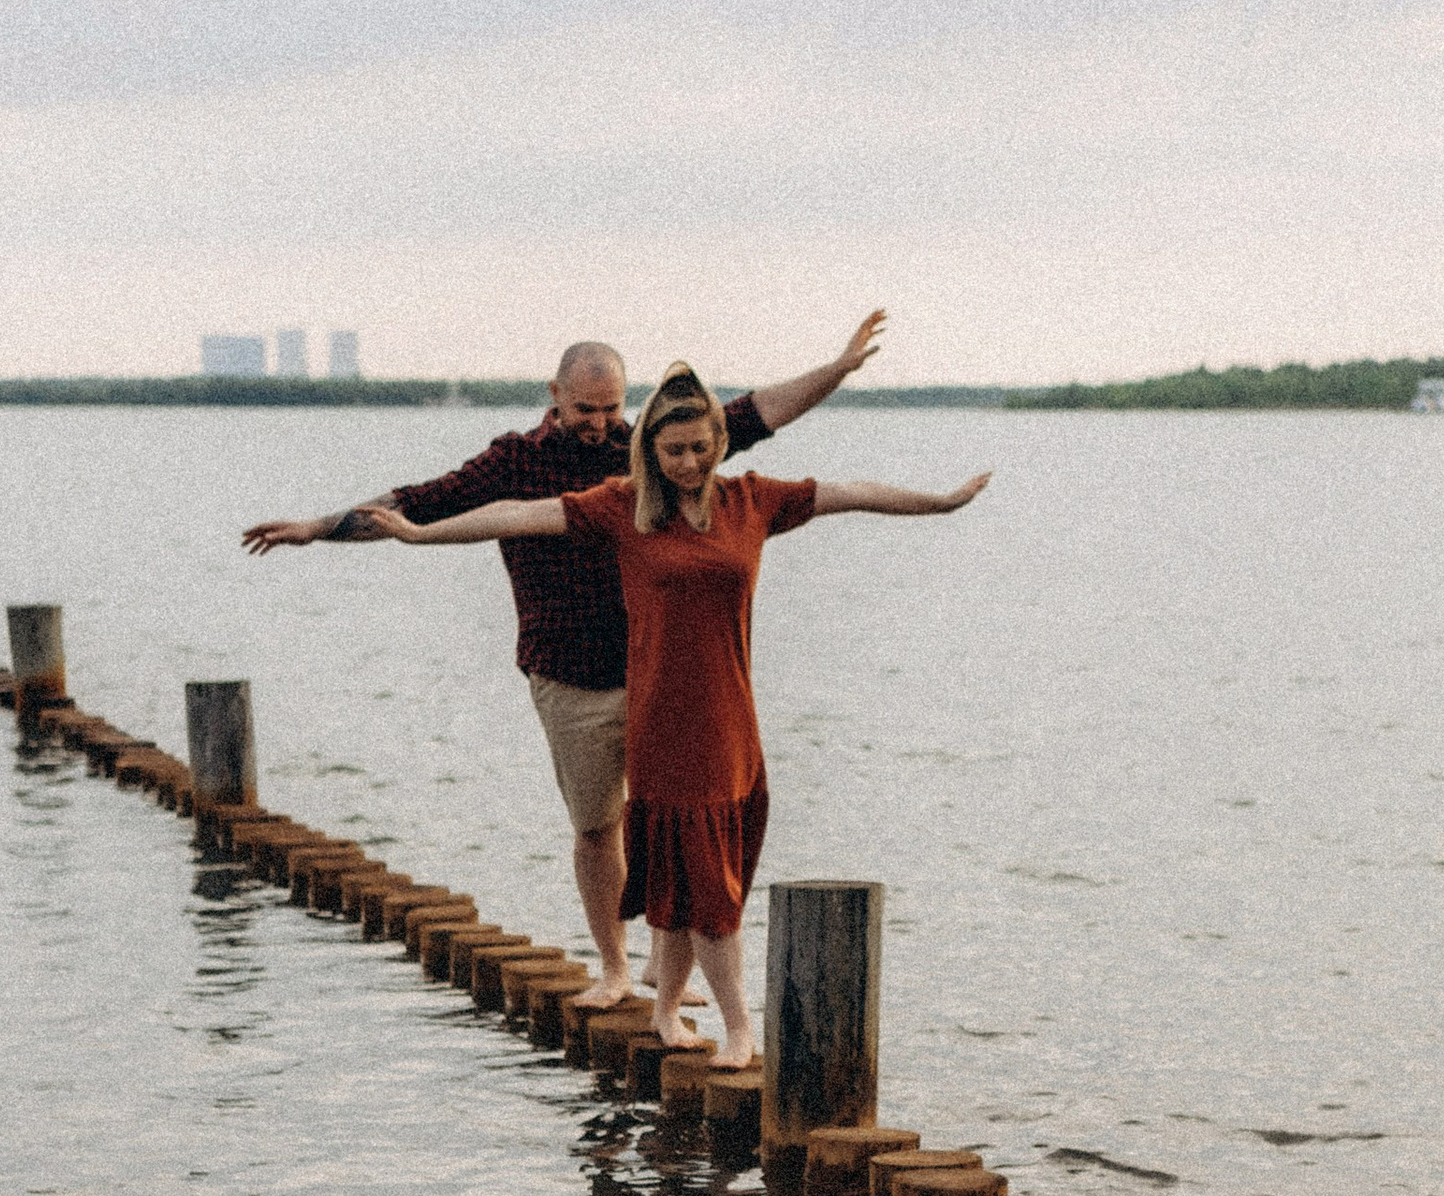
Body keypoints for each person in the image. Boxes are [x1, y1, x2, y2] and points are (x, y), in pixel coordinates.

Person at [355, 364, 990, 1065]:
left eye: (701, 447)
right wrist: (417, 534)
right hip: (659, 719)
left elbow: (853, 492)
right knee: (703, 882)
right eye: (674, 451)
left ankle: (663, 1009)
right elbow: (515, 512)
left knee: (702, 877)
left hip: (729, 720)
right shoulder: (623, 509)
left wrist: (940, 503)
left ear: (720, 441)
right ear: (650, 452)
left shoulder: (754, 500)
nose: (689, 462)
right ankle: (741, 1028)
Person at [241, 315, 882, 1003]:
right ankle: (612, 966)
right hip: (567, 673)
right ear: (554, 394)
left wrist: (838, 369)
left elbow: (754, 413)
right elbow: (418, 505)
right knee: (597, 824)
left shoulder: (647, 447)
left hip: (656, 672)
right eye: (586, 409)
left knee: (669, 818)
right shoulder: (515, 460)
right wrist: (316, 527)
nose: (601, 424)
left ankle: (663, 969)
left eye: (611, 409)